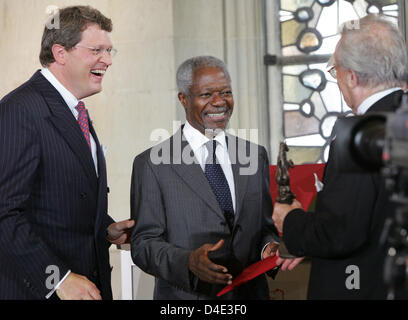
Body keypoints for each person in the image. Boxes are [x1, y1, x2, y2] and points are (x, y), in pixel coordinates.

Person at [130, 55, 301, 300]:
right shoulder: (152, 164)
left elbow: (263, 228)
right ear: (183, 98)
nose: (219, 102)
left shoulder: (255, 156)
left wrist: (269, 249)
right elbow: (144, 245)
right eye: (206, 95)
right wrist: (188, 262)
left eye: (226, 92)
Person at [0, 5, 134, 300]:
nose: (107, 60)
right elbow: (4, 212)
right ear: (60, 53)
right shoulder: (20, 111)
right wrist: (57, 279)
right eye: (97, 50)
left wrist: (105, 228)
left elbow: (58, 197)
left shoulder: (75, 110)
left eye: (110, 51)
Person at [272, 14, 408, 299]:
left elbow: (340, 233)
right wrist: (308, 241)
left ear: (351, 76)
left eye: (335, 71)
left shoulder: (357, 134)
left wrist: (292, 221)